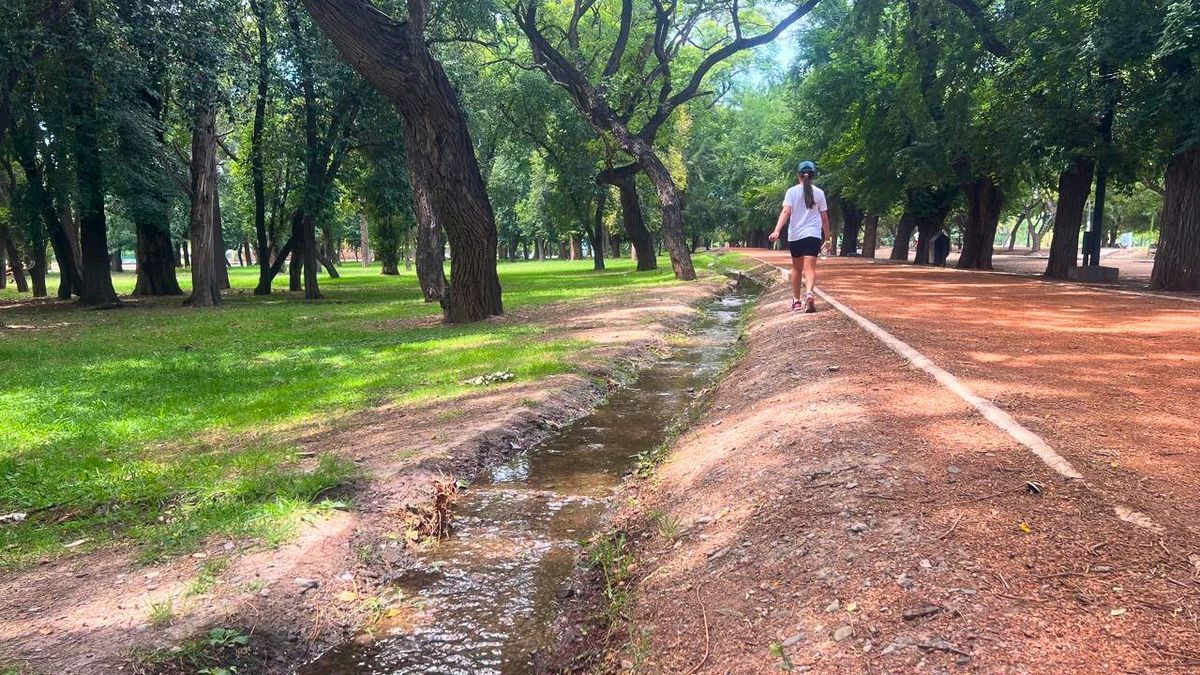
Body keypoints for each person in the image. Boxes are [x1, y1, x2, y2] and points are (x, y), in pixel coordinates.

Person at [769, 160, 831, 312]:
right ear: (813, 175)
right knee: (810, 268)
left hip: (795, 236)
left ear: (798, 175)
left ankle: (796, 301)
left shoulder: (792, 192)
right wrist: (827, 238)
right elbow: (824, 218)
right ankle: (809, 293)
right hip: (813, 235)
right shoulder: (819, 193)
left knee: (796, 268)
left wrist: (777, 230)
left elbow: (786, 212)